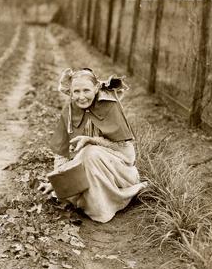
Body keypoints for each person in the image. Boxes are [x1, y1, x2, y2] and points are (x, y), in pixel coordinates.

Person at [38, 68, 146, 223]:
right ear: (70, 92)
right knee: (81, 162)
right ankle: (88, 201)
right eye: (76, 92)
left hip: (118, 172)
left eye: (86, 90)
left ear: (96, 89)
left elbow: (129, 156)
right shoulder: (69, 111)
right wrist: (59, 180)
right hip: (85, 169)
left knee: (90, 153)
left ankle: (104, 208)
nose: (81, 97)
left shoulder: (110, 107)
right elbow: (62, 153)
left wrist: (93, 141)